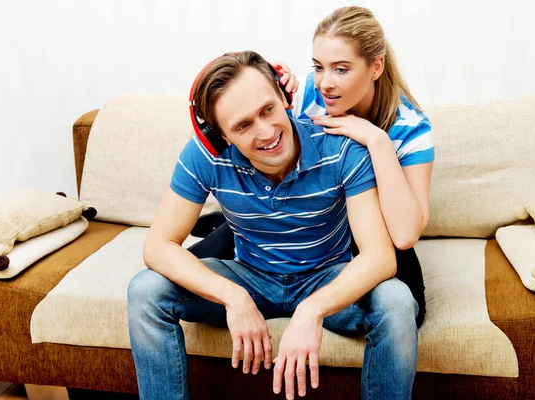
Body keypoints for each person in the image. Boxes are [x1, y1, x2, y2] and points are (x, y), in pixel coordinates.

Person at [128, 50, 418, 400]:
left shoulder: (341, 149)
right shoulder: (205, 155)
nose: (266, 133)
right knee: (146, 290)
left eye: (268, 110)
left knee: (397, 301)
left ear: (284, 97)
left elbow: (380, 258)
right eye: (243, 125)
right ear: (221, 136)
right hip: (249, 275)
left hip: (327, 275)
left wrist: (312, 310)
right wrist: (233, 297)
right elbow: (158, 246)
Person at [189, 6, 435, 328]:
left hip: (366, 228)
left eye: (341, 69)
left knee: (409, 309)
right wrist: (272, 87)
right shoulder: (305, 94)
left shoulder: (413, 128)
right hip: (304, 215)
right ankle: (226, 224)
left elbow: (404, 235)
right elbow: (251, 125)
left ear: (376, 67)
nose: (326, 83)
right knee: (184, 272)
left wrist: (377, 142)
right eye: (319, 67)